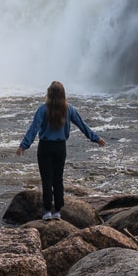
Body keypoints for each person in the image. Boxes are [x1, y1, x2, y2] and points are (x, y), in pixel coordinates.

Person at [16, 81, 106, 220]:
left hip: (45, 147)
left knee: (47, 180)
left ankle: (47, 212)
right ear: (63, 94)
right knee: (58, 179)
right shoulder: (68, 109)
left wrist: (24, 145)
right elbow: (82, 125)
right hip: (60, 147)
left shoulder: (42, 109)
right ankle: (57, 211)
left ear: (49, 94)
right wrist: (96, 138)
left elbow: (33, 129)